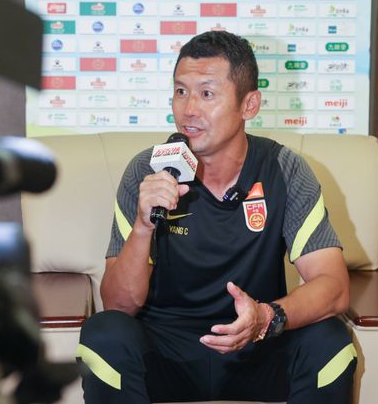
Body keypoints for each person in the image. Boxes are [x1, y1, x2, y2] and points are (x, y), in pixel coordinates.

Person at [77, 31, 356, 403]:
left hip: (255, 345)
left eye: (207, 93)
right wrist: (143, 226)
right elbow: (118, 304)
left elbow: (333, 286)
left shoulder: (285, 169)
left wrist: (266, 317)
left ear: (249, 104)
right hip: (166, 351)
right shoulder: (147, 171)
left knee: (331, 343)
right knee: (104, 334)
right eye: (180, 91)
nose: (189, 109)